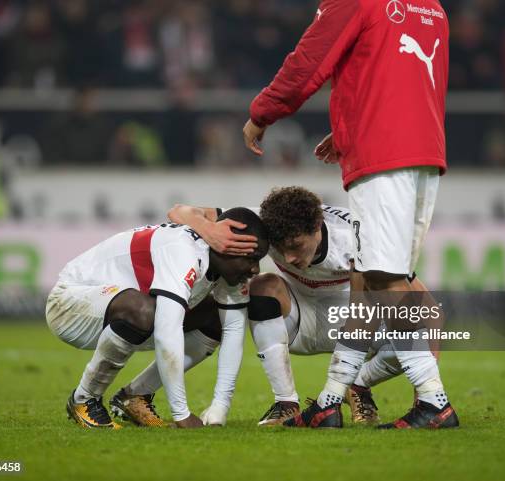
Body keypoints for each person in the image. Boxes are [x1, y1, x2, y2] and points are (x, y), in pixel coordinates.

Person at [242, 1, 456, 429]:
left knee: (385, 280)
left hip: (383, 157)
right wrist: (350, 128)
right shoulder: (431, 8)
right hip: (424, 151)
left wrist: (261, 113)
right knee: (374, 278)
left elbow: (308, 62)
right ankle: (331, 399)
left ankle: (435, 402)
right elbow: (402, 82)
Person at [121, 187, 442, 428]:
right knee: (261, 286)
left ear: (317, 228)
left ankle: (359, 384)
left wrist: (423, 393)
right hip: (295, 320)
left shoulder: (358, 236)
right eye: (282, 248)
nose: (289, 258)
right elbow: (180, 211)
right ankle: (285, 402)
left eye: (296, 247)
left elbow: (430, 312)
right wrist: (212, 232)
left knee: (415, 319)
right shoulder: (267, 220)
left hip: (354, 324)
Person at [45, 208, 269, 429]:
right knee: (143, 310)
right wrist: (181, 414)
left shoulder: (222, 264)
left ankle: (134, 397)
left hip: (123, 311)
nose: (255, 270)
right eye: (252, 258)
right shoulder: (184, 251)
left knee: (214, 319)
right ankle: (84, 399)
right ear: (227, 247)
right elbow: (166, 332)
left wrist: (219, 409)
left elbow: (233, 330)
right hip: (69, 303)